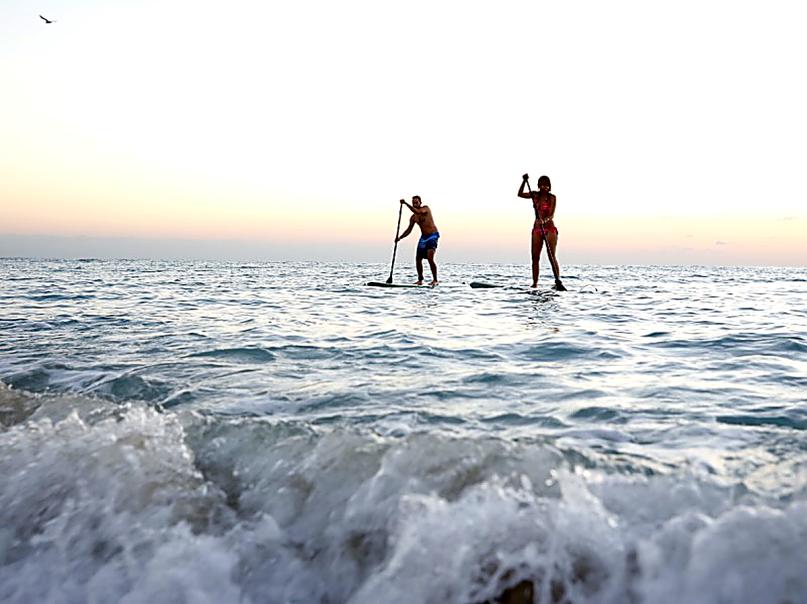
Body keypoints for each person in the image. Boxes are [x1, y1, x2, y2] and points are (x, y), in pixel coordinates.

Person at [518, 174, 562, 288]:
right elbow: (520, 194)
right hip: (537, 229)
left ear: (549, 186)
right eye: (541, 185)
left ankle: (557, 281)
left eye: (546, 185)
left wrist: (545, 220)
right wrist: (524, 181)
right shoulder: (534, 195)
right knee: (535, 257)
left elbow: (551, 214)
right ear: (538, 185)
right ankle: (535, 283)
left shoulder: (552, 198)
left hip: (549, 229)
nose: (544, 187)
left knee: (551, 256)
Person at [396, 195, 439, 286]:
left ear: (420, 203)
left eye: (416, 202)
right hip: (423, 238)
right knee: (418, 258)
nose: (415, 204)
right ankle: (420, 280)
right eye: (413, 202)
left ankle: (435, 280)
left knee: (430, 257)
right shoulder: (413, 218)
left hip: (432, 236)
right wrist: (399, 238)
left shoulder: (425, 209)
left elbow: (417, 211)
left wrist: (405, 204)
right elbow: (408, 230)